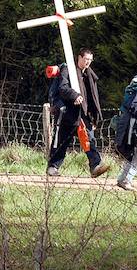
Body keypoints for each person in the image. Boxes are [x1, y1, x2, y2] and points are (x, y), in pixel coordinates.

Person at [47, 47, 111, 179]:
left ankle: (95, 166)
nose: (88, 62)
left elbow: (92, 98)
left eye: (90, 60)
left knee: (89, 139)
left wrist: (93, 117)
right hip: (67, 113)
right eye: (86, 59)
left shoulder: (89, 75)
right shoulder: (67, 70)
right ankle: (53, 167)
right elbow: (62, 88)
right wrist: (74, 95)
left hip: (83, 114)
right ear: (79, 58)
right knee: (62, 141)